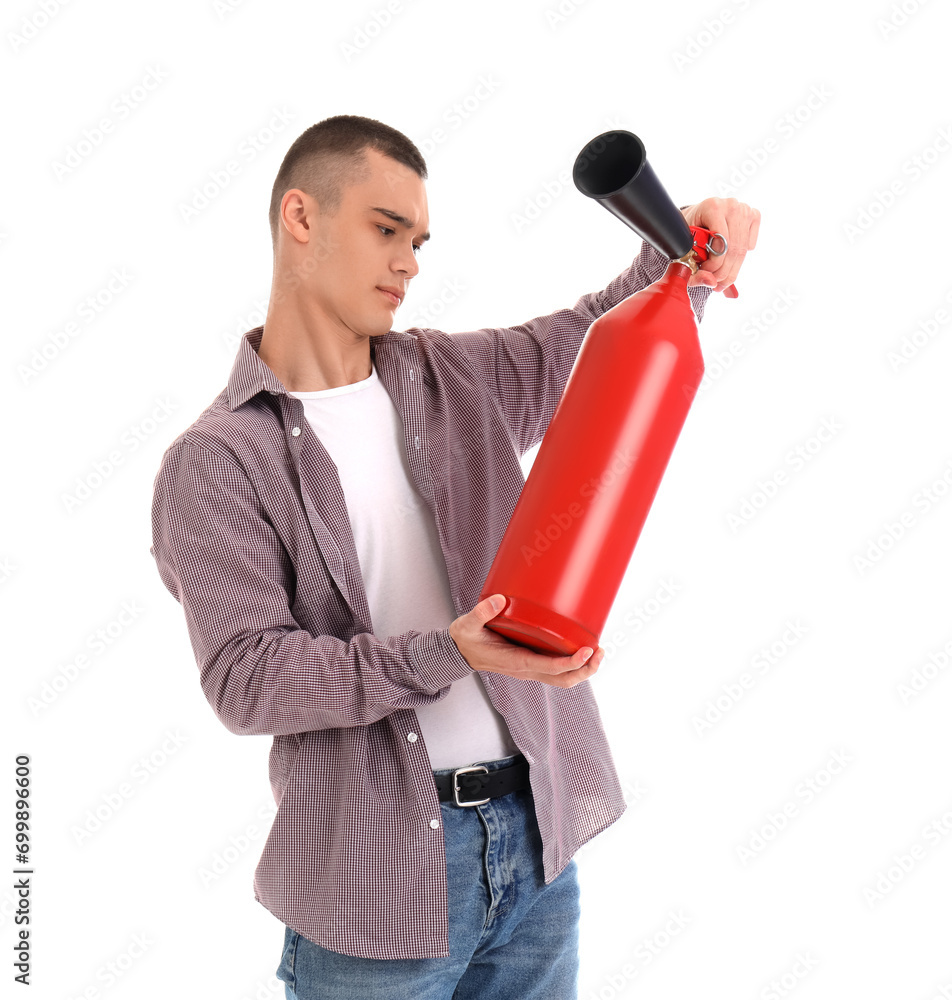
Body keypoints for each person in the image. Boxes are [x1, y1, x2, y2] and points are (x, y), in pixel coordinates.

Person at [150, 114, 759, 999]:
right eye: (386, 229)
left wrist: (684, 259)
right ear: (301, 217)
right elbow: (247, 680)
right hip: (375, 887)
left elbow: (596, 339)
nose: (409, 262)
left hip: (535, 846)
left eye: (419, 240)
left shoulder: (448, 377)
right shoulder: (217, 462)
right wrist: (450, 651)